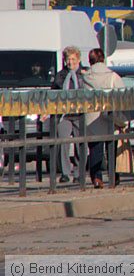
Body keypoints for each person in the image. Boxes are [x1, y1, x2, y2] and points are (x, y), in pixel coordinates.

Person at [82, 48, 126, 188]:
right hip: (109, 115)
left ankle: (97, 178)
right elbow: (123, 94)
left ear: (90, 61)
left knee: (95, 149)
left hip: (92, 117)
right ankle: (114, 177)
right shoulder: (112, 76)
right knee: (111, 147)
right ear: (103, 60)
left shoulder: (85, 77)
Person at [50, 46, 85, 183]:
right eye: (68, 59)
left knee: (79, 144)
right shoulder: (61, 75)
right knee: (63, 142)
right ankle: (65, 172)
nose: (70, 62)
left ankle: (78, 173)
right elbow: (53, 93)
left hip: (80, 113)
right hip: (65, 114)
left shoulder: (84, 73)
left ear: (78, 59)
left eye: (73, 59)